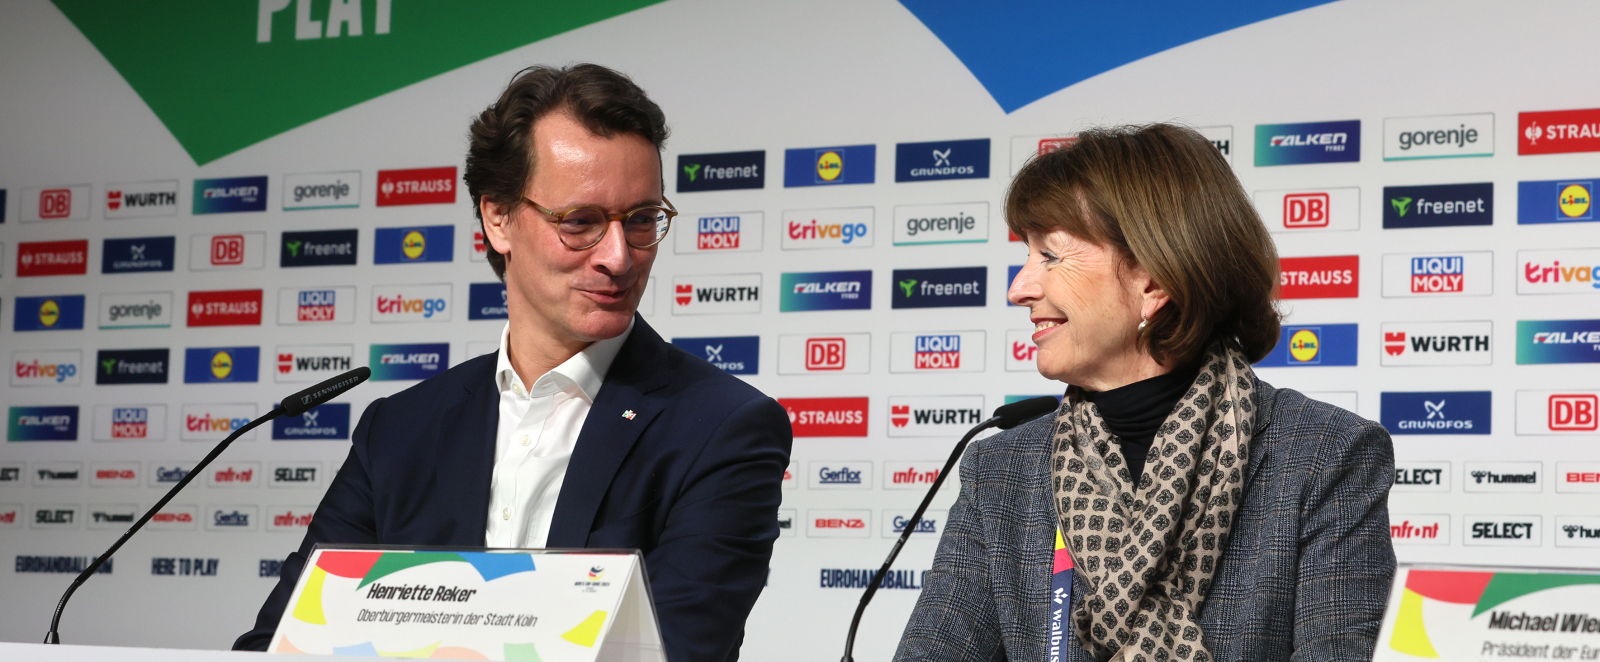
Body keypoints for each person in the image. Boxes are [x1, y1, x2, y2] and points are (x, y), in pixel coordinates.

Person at [236, 64, 793, 662]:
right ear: (497, 218)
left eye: (640, 220)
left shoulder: (722, 427)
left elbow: (680, 651)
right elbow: (281, 643)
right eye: (580, 221)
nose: (619, 256)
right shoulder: (398, 430)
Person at [895, 124, 1395, 662]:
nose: (1020, 288)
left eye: (1050, 256)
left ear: (1153, 281)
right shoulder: (1001, 470)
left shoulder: (1324, 455)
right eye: (1027, 256)